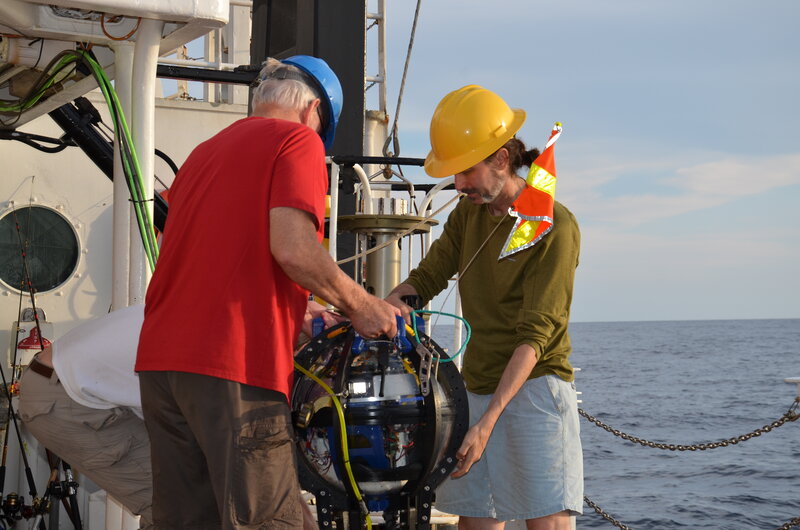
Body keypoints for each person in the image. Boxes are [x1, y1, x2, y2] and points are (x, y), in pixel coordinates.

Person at [135, 55, 400, 529]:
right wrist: (362, 305)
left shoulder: (204, 152)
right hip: (233, 368)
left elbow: (179, 242)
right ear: (311, 110)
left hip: (161, 366)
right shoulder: (297, 141)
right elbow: (295, 250)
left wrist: (291, 305)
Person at [385, 85, 583, 529]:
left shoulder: (555, 226)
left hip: (533, 389)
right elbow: (426, 279)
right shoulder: (466, 215)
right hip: (474, 388)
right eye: (453, 174)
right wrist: (380, 309)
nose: (458, 185)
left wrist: (487, 421)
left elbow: (535, 337)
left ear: (501, 159)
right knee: (474, 521)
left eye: (466, 171)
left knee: (546, 523)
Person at [18, 305, 153, 528]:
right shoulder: (207, 331)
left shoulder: (188, 309)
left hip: (57, 382)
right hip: (64, 395)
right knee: (178, 495)